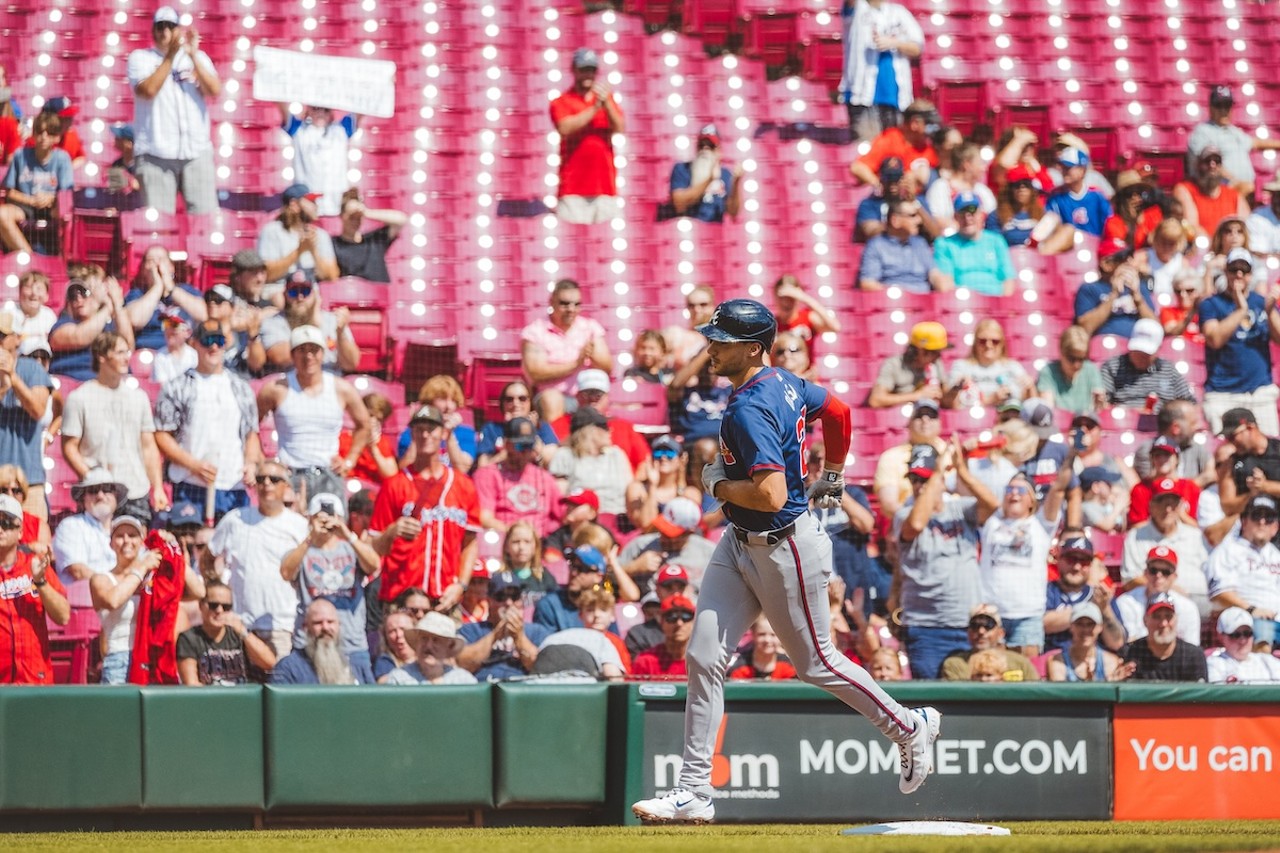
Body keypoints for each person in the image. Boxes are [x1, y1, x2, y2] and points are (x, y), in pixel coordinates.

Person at [631, 299, 939, 826]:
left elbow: (771, 496)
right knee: (705, 655)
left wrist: (716, 484)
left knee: (817, 663)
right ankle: (694, 791)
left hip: (783, 545)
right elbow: (839, 411)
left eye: (721, 340)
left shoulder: (748, 407)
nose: (711, 346)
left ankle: (908, 725)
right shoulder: (785, 380)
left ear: (752, 348)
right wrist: (835, 472)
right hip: (741, 542)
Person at [895, 440, 1000, 678]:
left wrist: (962, 471)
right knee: (930, 698)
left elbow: (993, 504)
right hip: (926, 628)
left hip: (968, 626)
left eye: (926, 478)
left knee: (970, 700)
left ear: (942, 481)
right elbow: (917, 524)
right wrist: (938, 471)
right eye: (916, 479)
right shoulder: (903, 514)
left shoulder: (960, 509)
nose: (921, 486)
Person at [371, 404, 480, 614]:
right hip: (401, 599)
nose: (425, 434)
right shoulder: (395, 485)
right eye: (419, 429)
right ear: (411, 433)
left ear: (442, 433)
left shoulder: (463, 486)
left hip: (443, 598)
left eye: (431, 428)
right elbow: (373, 546)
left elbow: (470, 543)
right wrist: (392, 531)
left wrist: (461, 585)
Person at [154, 319, 262, 521]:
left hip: (232, 485)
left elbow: (251, 434)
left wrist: (250, 464)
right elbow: (162, 435)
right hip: (190, 483)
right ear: (194, 343)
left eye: (218, 341)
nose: (213, 346)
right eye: (207, 340)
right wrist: (193, 465)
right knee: (190, 543)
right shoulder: (177, 386)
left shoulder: (241, 388)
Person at [202, 458, 308, 660]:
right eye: (261, 479)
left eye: (274, 479)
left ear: (285, 486)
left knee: (280, 685)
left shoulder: (299, 525)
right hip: (241, 624)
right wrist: (215, 590)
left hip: (283, 625)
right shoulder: (235, 519)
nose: (266, 483)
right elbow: (208, 557)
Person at [256, 325, 372, 505]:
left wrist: (350, 460)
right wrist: (263, 462)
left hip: (328, 474)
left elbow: (364, 424)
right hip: (289, 475)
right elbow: (250, 426)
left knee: (329, 530)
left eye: (314, 350)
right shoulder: (276, 389)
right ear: (293, 355)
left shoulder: (341, 389)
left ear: (322, 353)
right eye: (302, 350)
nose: (308, 356)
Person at [61, 332, 166, 522]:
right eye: (119, 352)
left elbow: (148, 446)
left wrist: (157, 487)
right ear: (102, 356)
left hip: (135, 490)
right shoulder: (79, 398)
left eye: (127, 352)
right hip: (98, 494)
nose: (127, 357)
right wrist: (92, 478)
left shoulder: (138, 397)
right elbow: (69, 447)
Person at [127, 6, 220, 214]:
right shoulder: (140, 58)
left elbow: (214, 90)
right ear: (153, 30)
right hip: (155, 154)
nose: (164, 31)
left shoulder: (196, 58)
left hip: (195, 152)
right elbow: (148, 90)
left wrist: (194, 56)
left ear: (178, 29)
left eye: (170, 26)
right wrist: (170, 57)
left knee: (204, 222)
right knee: (159, 225)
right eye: (160, 26)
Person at [91, 516, 203, 684]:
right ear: (111, 543)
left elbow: (199, 592)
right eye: (120, 536)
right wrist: (141, 567)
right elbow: (113, 600)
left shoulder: (152, 580)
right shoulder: (102, 579)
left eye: (132, 535)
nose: (126, 540)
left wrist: (173, 552)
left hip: (152, 659)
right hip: (119, 661)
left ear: (141, 541)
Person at [280, 493, 381, 673]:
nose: (326, 523)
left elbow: (374, 565)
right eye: (319, 518)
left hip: (351, 643)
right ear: (310, 519)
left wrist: (347, 535)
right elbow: (286, 572)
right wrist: (310, 538)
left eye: (331, 518)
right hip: (309, 644)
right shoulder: (303, 550)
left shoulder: (351, 548)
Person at [1198, 250, 1280, 436]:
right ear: (1226, 272)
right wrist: (1240, 310)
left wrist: (1271, 311)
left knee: (1270, 455)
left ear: (1251, 274)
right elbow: (1214, 339)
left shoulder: (1261, 302)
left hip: (1260, 393)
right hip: (1223, 394)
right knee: (1226, 454)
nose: (1239, 274)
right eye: (1234, 269)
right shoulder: (1211, 304)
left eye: (1245, 269)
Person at [520, 279, 613, 424]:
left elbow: (607, 367)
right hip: (552, 398)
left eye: (577, 304)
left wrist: (592, 356)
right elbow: (535, 373)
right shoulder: (535, 331)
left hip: (588, 395)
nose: (571, 309)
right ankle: (557, 444)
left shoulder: (591, 328)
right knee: (552, 399)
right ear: (552, 302)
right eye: (564, 303)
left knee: (598, 397)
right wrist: (576, 364)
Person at [550, 48, 624, 225]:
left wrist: (606, 105)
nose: (588, 74)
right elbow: (565, 128)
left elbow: (620, 127)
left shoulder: (607, 100)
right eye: (583, 69)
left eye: (592, 69)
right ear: (574, 70)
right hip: (573, 187)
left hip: (604, 187)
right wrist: (595, 109)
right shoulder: (562, 101)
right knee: (571, 244)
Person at [0, 493, 69, 684]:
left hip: (35, 679)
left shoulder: (35, 565)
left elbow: (63, 616)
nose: (0, 529)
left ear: (20, 531)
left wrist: (41, 583)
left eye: (6, 523)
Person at [838, 0, 923, 138]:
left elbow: (917, 48)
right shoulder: (859, 8)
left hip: (895, 97)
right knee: (866, 149)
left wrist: (894, 43)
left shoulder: (899, 12)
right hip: (861, 97)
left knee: (893, 151)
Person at [1206, 494, 1280, 650]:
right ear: (1244, 521)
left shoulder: (1276, 554)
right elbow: (1220, 594)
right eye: (1256, 516)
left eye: (1268, 519)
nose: (1262, 522)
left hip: (1276, 617)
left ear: (1275, 527)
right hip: (1246, 618)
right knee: (1263, 633)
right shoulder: (1229, 550)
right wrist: (1252, 610)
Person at [0, 313, 52, 520]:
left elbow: (39, 410)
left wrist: (12, 377)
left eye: (2, 335)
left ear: (17, 338)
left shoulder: (32, 369)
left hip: (29, 483)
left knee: (34, 545)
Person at [473, 417, 562, 536]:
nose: (526, 451)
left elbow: (562, 513)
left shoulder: (544, 477)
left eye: (529, 446)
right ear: (507, 445)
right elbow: (485, 518)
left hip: (541, 542)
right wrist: (518, 534)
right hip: (504, 541)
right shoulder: (487, 474)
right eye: (520, 446)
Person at [0, 111, 73, 255]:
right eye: (39, 132)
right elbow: (9, 191)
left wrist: (50, 198)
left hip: (51, 208)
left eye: (50, 132)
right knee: (2, 214)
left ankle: (62, 258)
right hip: (25, 207)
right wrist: (31, 200)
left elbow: (66, 194)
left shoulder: (63, 159)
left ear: (57, 137)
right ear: (33, 134)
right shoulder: (20, 155)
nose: (44, 137)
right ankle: (29, 257)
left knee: (65, 212)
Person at [176, 581, 277, 686]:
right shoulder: (189, 638)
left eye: (226, 607)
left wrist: (244, 633)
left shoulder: (238, 634)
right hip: (208, 699)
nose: (219, 610)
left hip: (241, 698)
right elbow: (191, 683)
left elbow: (269, 663)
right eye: (213, 605)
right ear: (201, 605)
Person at [1188, 84, 1280, 198]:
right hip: (1218, 191)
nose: (1224, 111)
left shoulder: (1233, 131)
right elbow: (1208, 163)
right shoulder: (1203, 132)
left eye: (1227, 106)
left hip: (1244, 191)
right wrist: (1235, 181)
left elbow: (1255, 143)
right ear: (1211, 108)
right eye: (1219, 106)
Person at [457, 572, 550, 681]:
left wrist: (519, 637)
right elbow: (462, 664)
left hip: (523, 689)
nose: (509, 602)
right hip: (484, 688)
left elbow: (544, 669)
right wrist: (495, 635)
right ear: (489, 600)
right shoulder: (471, 630)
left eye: (514, 596)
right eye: (501, 596)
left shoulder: (536, 631)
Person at [50, 468, 124, 604]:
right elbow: (78, 572)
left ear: (116, 495)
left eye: (106, 489)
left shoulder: (125, 529)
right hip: (83, 607)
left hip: (119, 601)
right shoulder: (71, 526)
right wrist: (119, 589)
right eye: (93, 490)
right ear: (83, 498)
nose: (100, 496)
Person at [548, 407, 632, 519]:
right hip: (587, 521)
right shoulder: (565, 456)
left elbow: (632, 490)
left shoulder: (616, 455)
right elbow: (559, 498)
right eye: (605, 427)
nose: (611, 430)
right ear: (590, 431)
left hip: (621, 519)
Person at [1110, 546, 1202, 649]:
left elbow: (1192, 648)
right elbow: (1127, 644)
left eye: (1166, 571)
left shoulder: (1188, 607)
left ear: (1174, 576)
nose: (1158, 575)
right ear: (1145, 573)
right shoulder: (1126, 602)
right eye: (1153, 570)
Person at [276, 104, 358, 217]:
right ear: (308, 109)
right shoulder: (299, 129)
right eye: (315, 108)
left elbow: (361, 108)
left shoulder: (342, 129)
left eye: (326, 109)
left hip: (337, 203)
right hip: (308, 203)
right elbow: (281, 104)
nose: (321, 113)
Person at [270, 598, 376, 684]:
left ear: (339, 625)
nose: (325, 627)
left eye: (330, 622)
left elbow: (374, 702)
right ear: (305, 628)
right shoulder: (288, 668)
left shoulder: (356, 664)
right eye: (318, 623)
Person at [49, 274, 134, 380]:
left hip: (110, 383)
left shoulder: (109, 325)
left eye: (85, 293)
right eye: (72, 296)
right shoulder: (63, 323)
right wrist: (106, 307)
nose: (79, 299)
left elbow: (128, 346)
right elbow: (79, 337)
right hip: (74, 381)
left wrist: (117, 304)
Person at [619, 497, 715, 592]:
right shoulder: (641, 545)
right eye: (662, 529)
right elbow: (607, 579)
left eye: (670, 533)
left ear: (689, 532)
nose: (663, 536)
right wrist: (633, 567)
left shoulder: (709, 552)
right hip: (650, 605)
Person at [1099, 319, 1196, 412]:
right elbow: (1102, 403)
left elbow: (1189, 402)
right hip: (1123, 423)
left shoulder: (1168, 370)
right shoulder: (1113, 367)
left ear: (1158, 350)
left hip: (1161, 423)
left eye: (1146, 354)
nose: (1141, 357)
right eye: (1138, 351)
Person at [933, 193, 1016, 297]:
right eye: (962, 213)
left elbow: (1008, 280)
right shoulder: (945, 244)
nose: (968, 218)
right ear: (955, 217)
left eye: (972, 212)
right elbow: (946, 283)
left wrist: (1003, 304)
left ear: (981, 214)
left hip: (995, 302)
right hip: (964, 302)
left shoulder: (996, 241)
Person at [857, 197, 948, 293]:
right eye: (912, 216)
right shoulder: (876, 246)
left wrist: (943, 284)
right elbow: (867, 283)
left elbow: (934, 274)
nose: (919, 221)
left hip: (925, 302)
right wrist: (900, 294)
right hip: (893, 304)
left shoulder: (920, 243)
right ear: (895, 220)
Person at [538, 585, 629, 679]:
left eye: (603, 610)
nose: (596, 615)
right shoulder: (572, 639)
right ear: (580, 615)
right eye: (590, 610)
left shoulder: (617, 642)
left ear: (613, 615)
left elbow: (622, 677)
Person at [1217, 409, 1280, 541]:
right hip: (1253, 537)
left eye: (1233, 436)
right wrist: (1251, 495)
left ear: (1250, 428)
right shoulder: (1230, 464)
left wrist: (1265, 487)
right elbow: (1227, 507)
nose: (1231, 442)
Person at [1073, 240, 1157, 339]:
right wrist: (1113, 295)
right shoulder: (1089, 289)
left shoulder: (1139, 287)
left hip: (1138, 348)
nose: (1129, 262)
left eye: (1131, 256)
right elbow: (1085, 328)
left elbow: (1155, 327)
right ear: (1106, 264)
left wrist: (1137, 296)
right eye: (1123, 258)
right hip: (1105, 348)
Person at [848, 99, 939, 190]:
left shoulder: (932, 146)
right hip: (895, 200)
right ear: (914, 123)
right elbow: (858, 167)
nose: (933, 129)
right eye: (929, 124)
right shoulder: (890, 140)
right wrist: (882, 187)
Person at [396, 374, 477, 472]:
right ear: (428, 402)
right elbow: (405, 468)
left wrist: (449, 434)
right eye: (442, 399)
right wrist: (416, 429)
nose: (449, 406)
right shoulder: (410, 433)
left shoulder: (466, 433)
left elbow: (462, 469)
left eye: (453, 400)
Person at [939, 604, 1039, 681]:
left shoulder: (1020, 663)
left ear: (1001, 633)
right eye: (975, 626)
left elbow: (1035, 693)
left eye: (988, 626)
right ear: (968, 632)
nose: (981, 632)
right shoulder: (954, 664)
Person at [866, 321, 954, 409]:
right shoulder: (894, 365)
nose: (938, 357)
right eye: (934, 352)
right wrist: (917, 395)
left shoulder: (936, 364)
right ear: (919, 350)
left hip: (928, 418)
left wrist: (955, 391)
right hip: (898, 419)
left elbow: (946, 400)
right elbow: (876, 400)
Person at [1122, 593, 1208, 681]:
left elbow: (1200, 693)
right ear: (1145, 620)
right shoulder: (1131, 653)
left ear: (1176, 620)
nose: (1163, 624)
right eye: (1157, 617)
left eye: (1168, 616)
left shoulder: (1193, 656)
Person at [948, 319, 1032, 409]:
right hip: (969, 420)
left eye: (995, 341)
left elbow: (1031, 403)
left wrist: (1030, 387)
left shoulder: (1014, 367)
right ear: (975, 342)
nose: (988, 345)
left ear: (1002, 343)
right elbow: (949, 404)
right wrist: (990, 400)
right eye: (983, 341)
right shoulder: (961, 367)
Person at [475, 380, 559, 467]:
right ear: (502, 403)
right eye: (509, 399)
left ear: (530, 403)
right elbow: (482, 465)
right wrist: (509, 432)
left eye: (522, 399)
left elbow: (552, 459)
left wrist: (531, 431)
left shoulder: (541, 427)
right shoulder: (491, 428)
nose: (515, 403)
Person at [668, 124, 741, 223]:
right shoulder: (682, 169)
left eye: (710, 146)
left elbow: (733, 211)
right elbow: (679, 204)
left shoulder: (725, 174)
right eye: (702, 145)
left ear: (718, 150)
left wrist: (736, 183)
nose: (705, 150)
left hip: (715, 232)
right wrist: (709, 179)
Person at [382, 611, 478, 685]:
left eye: (436, 640)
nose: (428, 646)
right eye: (424, 639)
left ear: (448, 647)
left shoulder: (463, 681)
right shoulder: (399, 679)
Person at [1174, 147, 1249, 239]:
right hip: (1201, 247)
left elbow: (1245, 226)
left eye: (1217, 161)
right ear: (1198, 165)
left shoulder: (1234, 195)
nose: (1212, 165)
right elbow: (1191, 226)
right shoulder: (1185, 189)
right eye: (1207, 161)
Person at [332, 189, 406, 283]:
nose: (355, 221)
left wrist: (366, 212)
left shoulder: (374, 240)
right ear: (342, 216)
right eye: (351, 217)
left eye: (358, 217)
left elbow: (401, 220)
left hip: (379, 294)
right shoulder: (332, 244)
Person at [1133, 400, 1212, 486]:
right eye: (1193, 423)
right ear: (1176, 428)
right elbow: (1152, 485)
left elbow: (1211, 475)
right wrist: (1188, 488)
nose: (1198, 427)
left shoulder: (1195, 447)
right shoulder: (1148, 449)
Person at [1046, 603, 1130, 682]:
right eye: (1079, 624)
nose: (1085, 630)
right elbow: (1059, 694)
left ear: (1100, 627)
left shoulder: (1110, 661)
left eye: (1090, 624)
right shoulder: (1057, 661)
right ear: (1071, 627)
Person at [1035, 325, 1106, 415]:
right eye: (1071, 358)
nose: (1077, 365)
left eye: (1081, 359)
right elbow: (1048, 410)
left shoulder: (1091, 370)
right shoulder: (1048, 372)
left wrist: (1100, 404)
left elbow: (1098, 411)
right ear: (1061, 352)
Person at [1045, 148, 1111, 238]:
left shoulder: (1096, 195)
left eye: (1069, 167)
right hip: (1067, 248)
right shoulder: (1055, 198)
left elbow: (1108, 222)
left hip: (1094, 246)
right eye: (1063, 167)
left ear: (1082, 170)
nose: (1065, 171)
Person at [772, 275, 841, 361]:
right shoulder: (771, 324)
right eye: (783, 298)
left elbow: (835, 327)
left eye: (791, 298)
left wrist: (804, 298)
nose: (786, 302)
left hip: (804, 372)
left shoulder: (807, 317)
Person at [1206, 607, 1280, 683]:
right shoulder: (1215, 664)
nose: (1242, 641)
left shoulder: (1269, 662)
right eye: (1235, 635)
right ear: (1221, 636)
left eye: (1247, 633)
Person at [500, 521, 560, 606]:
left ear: (535, 547)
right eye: (516, 542)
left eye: (527, 542)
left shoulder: (545, 577)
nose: (521, 547)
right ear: (506, 546)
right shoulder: (500, 578)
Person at [4, 271, 57, 339]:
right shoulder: (8, 314)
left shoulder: (49, 315)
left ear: (46, 295)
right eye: (29, 287)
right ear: (20, 292)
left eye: (39, 288)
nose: (34, 293)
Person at [372, 609, 416, 682]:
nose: (399, 635)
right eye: (392, 631)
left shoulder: (429, 655)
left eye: (403, 629)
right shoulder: (385, 661)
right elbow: (383, 683)